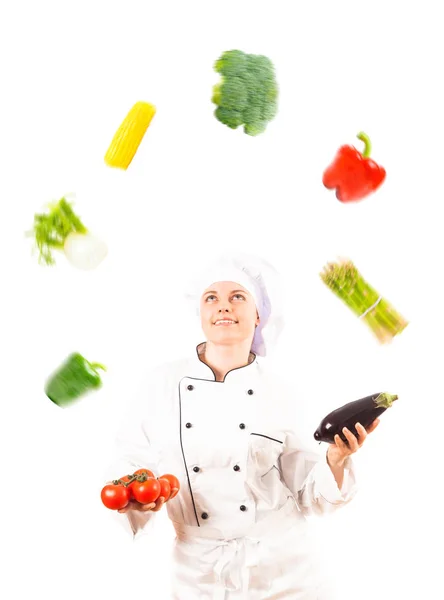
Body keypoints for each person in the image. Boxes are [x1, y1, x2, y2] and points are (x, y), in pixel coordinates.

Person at [103, 252, 380, 599]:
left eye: (238, 297)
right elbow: (130, 459)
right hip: (197, 572)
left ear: (259, 314)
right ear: (200, 314)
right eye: (211, 298)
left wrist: (336, 460)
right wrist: (133, 499)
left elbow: (310, 494)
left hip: (284, 569)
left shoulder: (281, 392)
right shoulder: (159, 384)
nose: (223, 307)